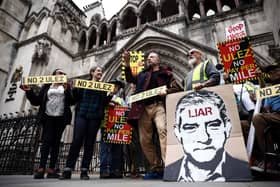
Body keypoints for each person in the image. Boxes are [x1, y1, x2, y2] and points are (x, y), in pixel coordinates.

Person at [164, 90, 251, 182]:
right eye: (191, 128)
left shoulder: (241, 169)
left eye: (213, 125)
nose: (204, 138)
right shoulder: (170, 172)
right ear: (177, 133)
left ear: (227, 127)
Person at [122, 50, 181, 179]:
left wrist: (167, 91)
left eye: (152, 57)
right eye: (148, 57)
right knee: (144, 140)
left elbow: (177, 88)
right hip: (142, 109)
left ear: (158, 60)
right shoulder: (142, 74)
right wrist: (127, 63)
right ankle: (156, 166)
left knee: (162, 130)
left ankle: (168, 164)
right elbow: (129, 78)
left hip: (159, 106)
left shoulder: (166, 73)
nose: (149, 59)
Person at [60, 66, 119, 180]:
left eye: (101, 71)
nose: (100, 73)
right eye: (98, 71)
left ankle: (84, 170)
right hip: (82, 115)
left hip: (95, 117)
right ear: (92, 72)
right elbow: (73, 99)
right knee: (77, 140)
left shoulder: (103, 87)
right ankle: (68, 169)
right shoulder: (82, 84)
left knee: (89, 143)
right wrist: (68, 89)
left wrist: (111, 95)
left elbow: (103, 102)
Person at [20, 68, 73, 179]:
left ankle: (51, 169)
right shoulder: (47, 86)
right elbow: (37, 101)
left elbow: (71, 101)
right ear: (53, 75)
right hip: (48, 117)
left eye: (64, 73)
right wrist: (29, 90)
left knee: (56, 143)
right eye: (60, 73)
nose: (62, 74)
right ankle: (41, 168)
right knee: (46, 141)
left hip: (60, 118)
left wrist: (67, 90)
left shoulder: (66, 86)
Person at [251, 63, 280, 171]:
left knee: (258, 118)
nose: (274, 73)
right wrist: (256, 100)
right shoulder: (270, 90)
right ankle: (266, 157)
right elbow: (266, 106)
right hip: (275, 115)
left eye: (276, 70)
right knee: (253, 121)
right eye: (270, 72)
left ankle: (270, 159)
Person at [99, 78, 125, 179]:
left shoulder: (120, 99)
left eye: (117, 86)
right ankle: (104, 170)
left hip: (117, 126)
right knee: (105, 148)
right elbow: (101, 104)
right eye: (114, 85)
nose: (116, 88)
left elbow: (124, 110)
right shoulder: (104, 95)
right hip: (106, 124)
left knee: (116, 149)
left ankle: (115, 170)